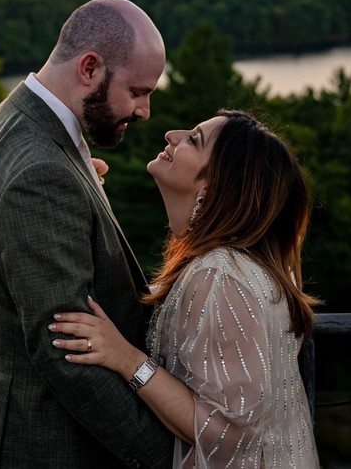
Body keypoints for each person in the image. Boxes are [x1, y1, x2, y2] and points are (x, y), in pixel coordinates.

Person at [0, 0, 175, 468]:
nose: (144, 111)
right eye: (137, 92)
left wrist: (82, 194)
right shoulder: (39, 173)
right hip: (47, 446)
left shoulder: (17, 117)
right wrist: (169, 456)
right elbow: (68, 354)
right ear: (90, 67)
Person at [49, 110, 321, 468]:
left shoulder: (220, 276)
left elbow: (230, 433)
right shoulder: (234, 266)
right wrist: (89, 197)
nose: (170, 134)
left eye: (194, 139)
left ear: (212, 185)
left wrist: (127, 359)